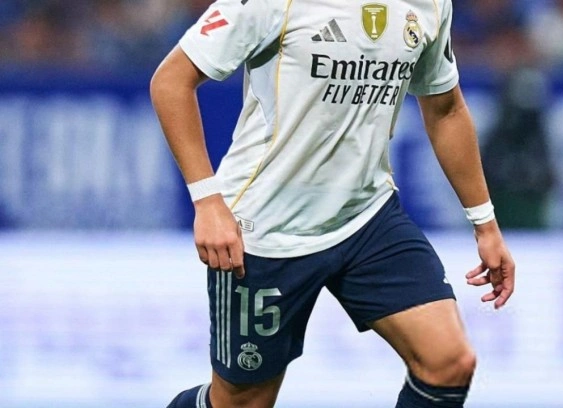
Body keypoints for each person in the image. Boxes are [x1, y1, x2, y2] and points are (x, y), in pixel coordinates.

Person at [150, 0, 515, 406]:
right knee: (241, 402)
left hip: (366, 215)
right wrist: (208, 202)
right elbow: (171, 81)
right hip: (267, 228)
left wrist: (485, 224)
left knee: (449, 362)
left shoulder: (429, 4)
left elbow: (446, 109)